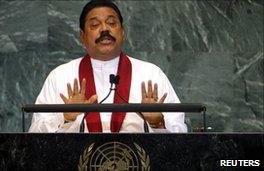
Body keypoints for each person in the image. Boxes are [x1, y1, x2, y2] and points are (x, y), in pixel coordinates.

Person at [29, 0, 187, 133]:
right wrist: (64, 117)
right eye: (95, 25)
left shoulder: (150, 74)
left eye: (111, 23)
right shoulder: (61, 76)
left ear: (123, 32)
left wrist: (158, 123)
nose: (105, 29)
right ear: (82, 37)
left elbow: (181, 130)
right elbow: (34, 132)